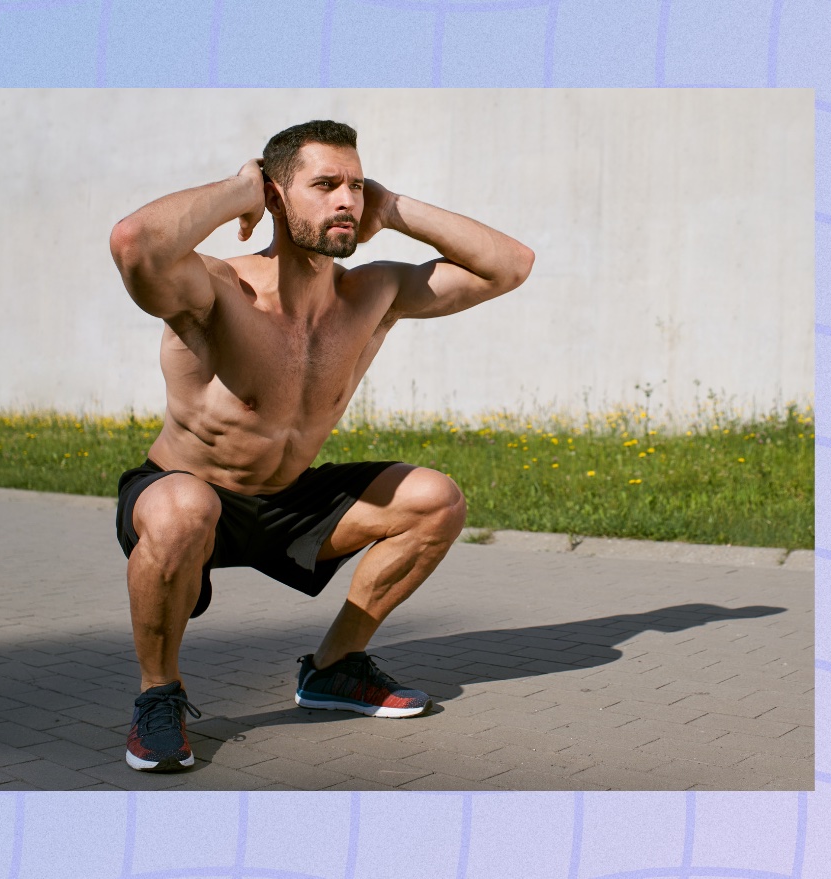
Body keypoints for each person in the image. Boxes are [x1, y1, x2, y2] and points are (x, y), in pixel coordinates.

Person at [108, 120, 534, 771]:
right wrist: (237, 190)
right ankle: (158, 693)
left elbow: (511, 265)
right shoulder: (220, 286)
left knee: (435, 500)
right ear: (277, 195)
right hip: (187, 493)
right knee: (184, 508)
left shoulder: (372, 293)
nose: (347, 201)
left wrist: (394, 209)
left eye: (357, 186)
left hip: (287, 498)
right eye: (326, 184)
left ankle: (335, 668)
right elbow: (135, 244)